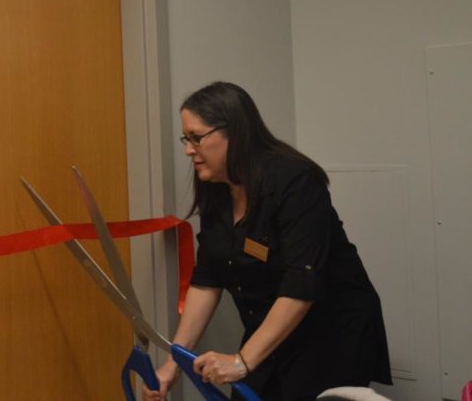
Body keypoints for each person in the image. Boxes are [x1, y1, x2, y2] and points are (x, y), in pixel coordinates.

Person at [143, 82, 392, 401]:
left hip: (330, 331)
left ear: (234, 132)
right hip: (272, 327)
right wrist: (172, 365)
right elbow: (207, 281)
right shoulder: (217, 187)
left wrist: (241, 361)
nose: (189, 150)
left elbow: (301, 284)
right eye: (186, 139)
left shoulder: (295, 180)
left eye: (196, 137)